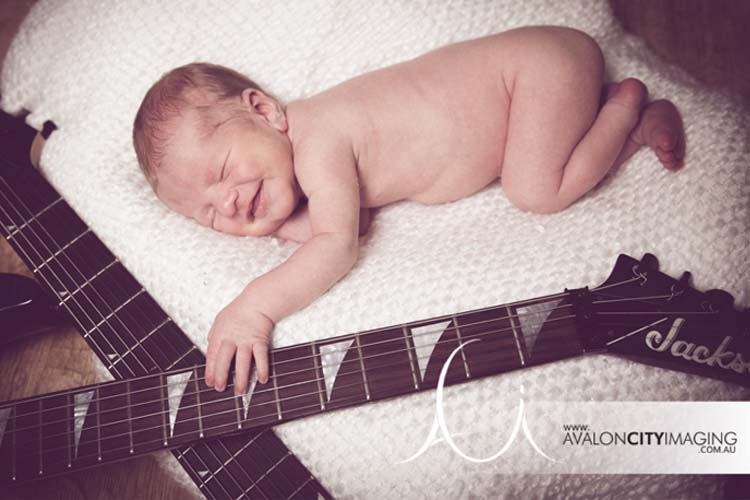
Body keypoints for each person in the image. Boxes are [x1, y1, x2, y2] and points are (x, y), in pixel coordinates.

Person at [132, 26, 685, 395]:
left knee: (535, 189)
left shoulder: (319, 136)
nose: (227, 201)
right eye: (209, 214)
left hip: (532, 73)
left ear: (263, 110)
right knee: (534, 171)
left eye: (224, 170)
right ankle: (607, 115)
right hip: (535, 84)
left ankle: (624, 113)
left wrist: (254, 308)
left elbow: (338, 242)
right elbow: (351, 218)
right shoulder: (301, 159)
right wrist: (280, 222)